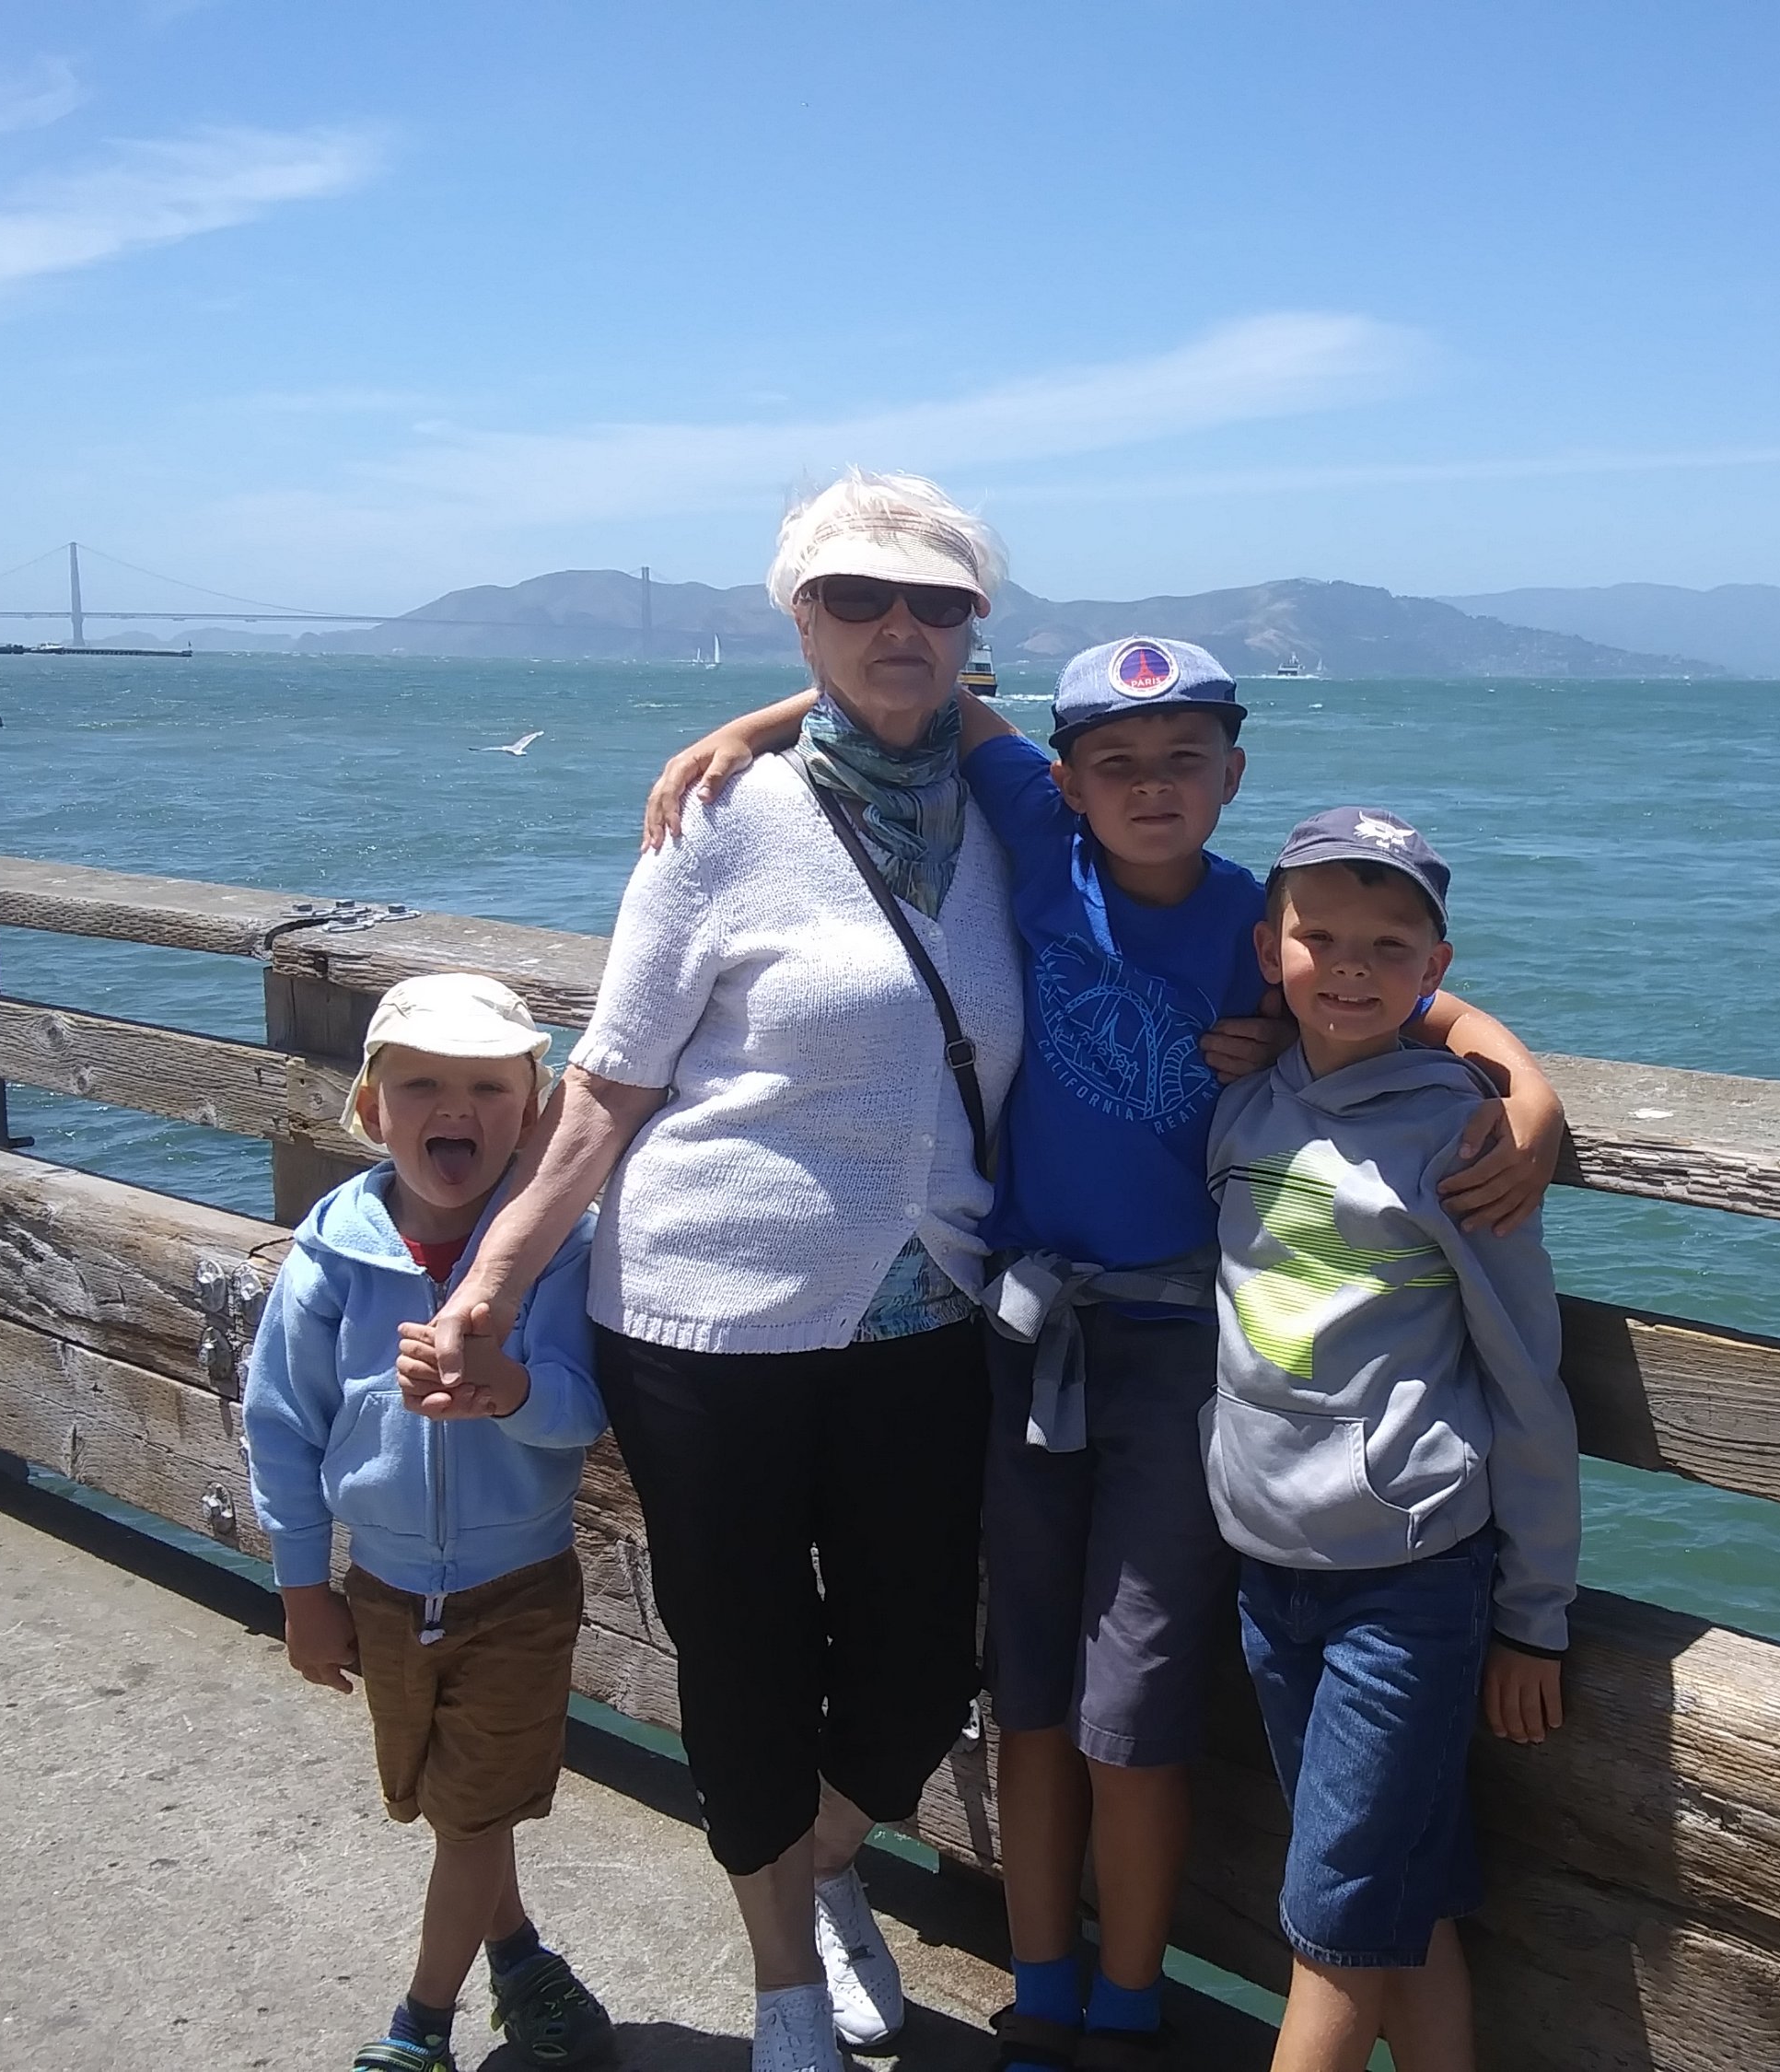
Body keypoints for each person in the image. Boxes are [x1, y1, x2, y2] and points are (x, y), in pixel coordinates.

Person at [643, 641, 1565, 2072]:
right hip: (1026, 1338)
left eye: (1185, 760)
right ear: (1066, 780)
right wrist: (751, 727)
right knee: (1027, 1693)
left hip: (1187, 1361)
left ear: (1233, 775)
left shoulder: (1262, 917)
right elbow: (931, 695)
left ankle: (1128, 2004)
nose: (1150, 787)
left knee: (1134, 1708)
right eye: (1116, 764)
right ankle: (1044, 1989)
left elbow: (1407, 986)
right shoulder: (1036, 830)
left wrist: (1527, 1083)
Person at [435, 471, 1024, 2072]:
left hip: (931, 1311)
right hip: (705, 1319)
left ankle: (820, 1855)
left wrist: (1475, 1049)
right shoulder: (719, 821)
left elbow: (1225, 903)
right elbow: (606, 1089)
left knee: (920, 1668)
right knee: (747, 1654)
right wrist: (491, 1284)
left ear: (976, 625)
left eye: (936, 601)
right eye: (856, 598)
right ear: (799, 616)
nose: (898, 626)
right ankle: (783, 1978)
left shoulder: (1014, 807)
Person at [1206, 809, 1578, 2072]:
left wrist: (1533, 1614)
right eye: (1320, 938)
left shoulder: (1463, 1139)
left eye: (1388, 945)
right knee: (1398, 1897)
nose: (1350, 967)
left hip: (1408, 1581)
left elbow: (1527, 1383)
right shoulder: (1242, 1107)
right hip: (1266, 1565)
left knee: (1337, 1920)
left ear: (1436, 966)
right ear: (1270, 949)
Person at [241, 974, 614, 2072]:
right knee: (450, 1805)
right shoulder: (330, 1254)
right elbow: (281, 1425)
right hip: (383, 1588)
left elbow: (587, 1409)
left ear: (533, 1117)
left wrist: (510, 1389)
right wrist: (303, 1590)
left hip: (520, 1590)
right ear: (371, 1110)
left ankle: (420, 2029)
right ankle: (525, 1966)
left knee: (471, 1818)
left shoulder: (564, 1249)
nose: (456, 1108)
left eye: (489, 1088)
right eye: (421, 1086)